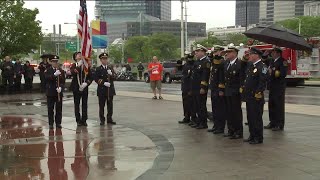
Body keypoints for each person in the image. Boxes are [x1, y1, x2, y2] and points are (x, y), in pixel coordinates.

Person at [242, 47, 268, 144]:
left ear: (256, 55)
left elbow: (262, 82)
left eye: (251, 54)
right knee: (250, 117)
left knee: (256, 118)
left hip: (256, 97)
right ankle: (252, 135)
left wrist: (258, 93)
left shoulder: (262, 67)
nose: (250, 56)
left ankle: (258, 137)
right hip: (249, 96)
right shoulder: (251, 66)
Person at [224, 45, 245, 139]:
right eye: (226, 52)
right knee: (229, 112)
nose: (227, 54)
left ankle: (238, 131)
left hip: (236, 92)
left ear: (234, 53)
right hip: (228, 91)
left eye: (229, 52)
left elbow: (241, 80)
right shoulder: (226, 63)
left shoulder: (240, 64)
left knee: (236, 113)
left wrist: (241, 94)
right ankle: (231, 130)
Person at [265, 47, 288, 131]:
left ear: (278, 53)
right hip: (272, 86)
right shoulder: (271, 61)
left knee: (279, 106)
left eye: (273, 52)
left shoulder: (283, 61)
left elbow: (283, 73)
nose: (272, 53)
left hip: (279, 87)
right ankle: (272, 122)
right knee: (271, 105)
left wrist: (273, 72)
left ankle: (279, 124)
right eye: (272, 52)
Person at [190, 44, 211, 129]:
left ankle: (203, 123)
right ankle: (199, 122)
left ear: (203, 52)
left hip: (200, 87)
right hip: (195, 87)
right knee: (197, 105)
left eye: (197, 52)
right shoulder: (197, 62)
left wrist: (203, 87)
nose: (196, 53)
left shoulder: (206, 62)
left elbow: (205, 75)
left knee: (201, 105)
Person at [207, 45, 227, 134]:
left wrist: (221, 89)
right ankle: (216, 125)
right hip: (214, 88)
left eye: (216, 52)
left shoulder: (222, 62)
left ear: (221, 52)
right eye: (214, 52)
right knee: (215, 109)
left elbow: (221, 77)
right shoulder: (215, 62)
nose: (214, 54)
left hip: (219, 89)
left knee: (220, 109)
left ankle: (220, 127)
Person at [70, 52, 93, 127]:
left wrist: (87, 83)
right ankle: (78, 120)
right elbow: (73, 72)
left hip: (84, 87)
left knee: (84, 104)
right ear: (75, 58)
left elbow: (91, 77)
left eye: (80, 54)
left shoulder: (86, 66)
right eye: (78, 54)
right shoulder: (73, 65)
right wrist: (79, 65)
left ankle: (84, 119)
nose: (80, 55)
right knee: (77, 104)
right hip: (76, 88)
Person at [95, 53, 117, 125]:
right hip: (102, 90)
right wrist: (103, 83)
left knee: (110, 106)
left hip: (110, 90)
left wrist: (111, 74)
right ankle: (102, 120)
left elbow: (115, 77)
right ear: (101, 60)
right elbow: (96, 78)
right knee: (102, 106)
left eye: (106, 58)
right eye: (103, 59)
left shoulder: (110, 68)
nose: (105, 60)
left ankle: (109, 119)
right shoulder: (98, 69)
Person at [45, 55, 65, 129]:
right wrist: (54, 75)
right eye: (53, 61)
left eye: (56, 61)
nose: (55, 63)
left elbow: (63, 81)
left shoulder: (61, 70)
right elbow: (46, 79)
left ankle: (58, 123)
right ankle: (51, 123)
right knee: (50, 109)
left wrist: (61, 88)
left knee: (59, 109)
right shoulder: (48, 70)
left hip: (58, 92)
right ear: (51, 62)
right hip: (50, 92)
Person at [179, 51, 195, 124]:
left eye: (186, 56)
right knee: (185, 103)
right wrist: (181, 60)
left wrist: (190, 89)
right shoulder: (185, 64)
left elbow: (191, 78)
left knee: (190, 104)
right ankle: (186, 117)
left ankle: (193, 118)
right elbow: (178, 66)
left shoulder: (192, 64)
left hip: (189, 87)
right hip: (184, 87)